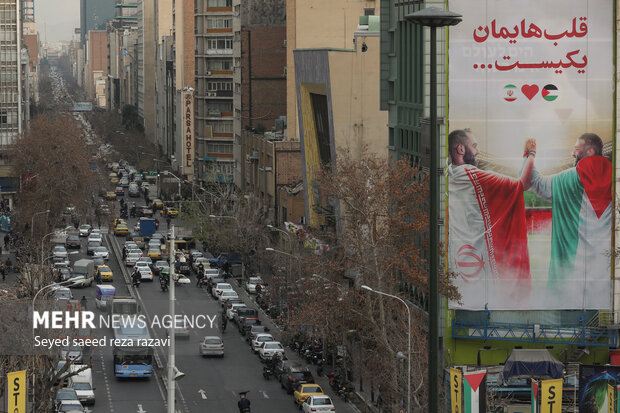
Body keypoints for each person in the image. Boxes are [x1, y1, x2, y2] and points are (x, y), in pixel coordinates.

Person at [448, 129, 535, 306]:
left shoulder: (448, 173)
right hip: (478, 262)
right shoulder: (475, 176)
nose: (478, 151)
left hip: (458, 259)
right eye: (474, 146)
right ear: (460, 149)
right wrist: (531, 154)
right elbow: (522, 184)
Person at [519, 134, 612, 300]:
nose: (572, 153)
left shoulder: (568, 179)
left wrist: (529, 154)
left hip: (568, 283)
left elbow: (532, 182)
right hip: (603, 282)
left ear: (589, 151)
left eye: (576, 148)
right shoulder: (614, 181)